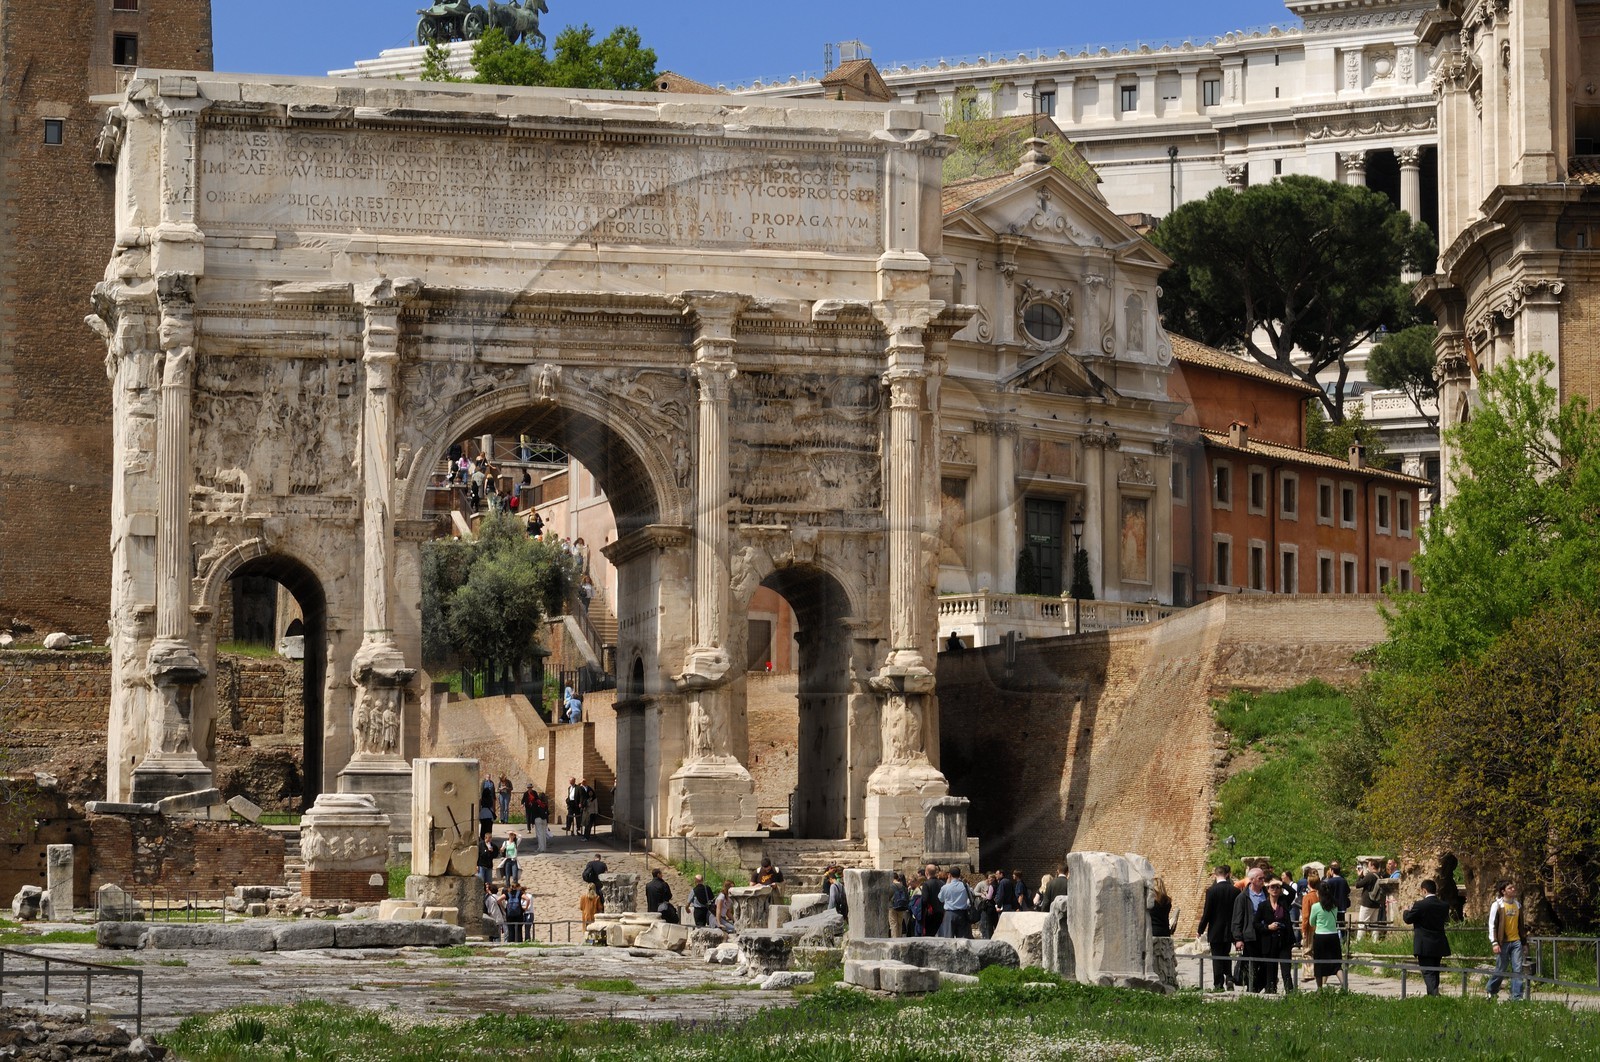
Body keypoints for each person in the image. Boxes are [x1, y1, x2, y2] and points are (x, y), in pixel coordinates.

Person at [1404, 878, 1452, 996]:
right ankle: (1431, 995)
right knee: (1435, 970)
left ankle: (1435, 994)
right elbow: (1445, 920)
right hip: (1439, 942)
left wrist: (1406, 910)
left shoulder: (1420, 905)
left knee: (1427, 971)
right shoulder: (1444, 905)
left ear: (1424, 890)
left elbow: (1408, 919)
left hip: (1424, 943)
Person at [1230, 867, 1270, 992]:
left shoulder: (1267, 894)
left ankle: (1259, 986)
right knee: (1252, 964)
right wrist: (1238, 938)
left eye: (1263, 878)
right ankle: (1252, 988)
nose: (1263, 880)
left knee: (1267, 963)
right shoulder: (1243, 897)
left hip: (1266, 933)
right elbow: (1237, 919)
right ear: (1252, 880)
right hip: (1251, 935)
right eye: (1260, 878)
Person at [1486, 880, 1527, 1001]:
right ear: (1503, 891)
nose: (1513, 890)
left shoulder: (1517, 905)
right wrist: (1494, 942)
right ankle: (1491, 991)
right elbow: (1492, 925)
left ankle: (1516, 996)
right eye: (1510, 888)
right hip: (1503, 942)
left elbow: (1521, 925)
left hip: (1516, 941)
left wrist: (1524, 943)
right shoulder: (1497, 905)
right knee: (1501, 968)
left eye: (1513, 888)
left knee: (1517, 969)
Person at [1198, 865, 1237, 990]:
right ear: (1227, 875)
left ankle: (1218, 983)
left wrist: (1200, 929)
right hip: (1230, 929)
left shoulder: (1211, 891)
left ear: (1215, 875)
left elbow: (1207, 913)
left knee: (1216, 957)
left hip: (1215, 929)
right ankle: (1229, 977)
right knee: (1226, 954)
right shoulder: (1235, 891)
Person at [1257, 879, 1294, 993]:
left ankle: (1290, 992)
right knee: (1270, 969)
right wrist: (1268, 927)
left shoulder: (1284, 902)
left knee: (1286, 969)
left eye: (1277, 887)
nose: (1275, 889)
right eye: (1272, 887)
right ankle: (1270, 991)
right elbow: (1256, 923)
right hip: (1269, 940)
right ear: (1267, 889)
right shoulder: (1263, 905)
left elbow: (1292, 892)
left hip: (1284, 941)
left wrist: (1281, 883)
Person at [1308, 886, 1343, 990]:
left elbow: (1311, 922)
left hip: (1320, 936)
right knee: (1336, 963)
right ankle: (1344, 984)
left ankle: (1319, 988)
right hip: (1333, 935)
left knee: (1319, 964)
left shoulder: (1316, 906)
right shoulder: (1334, 906)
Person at [936, 866, 974, 938]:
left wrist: (947, 884)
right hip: (962, 913)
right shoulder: (965, 886)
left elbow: (940, 899)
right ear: (959, 875)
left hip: (949, 913)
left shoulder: (946, 887)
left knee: (948, 938)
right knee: (962, 939)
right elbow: (971, 897)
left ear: (949, 875)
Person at [1354, 858, 1382, 942]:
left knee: (1362, 923)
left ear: (1373, 866)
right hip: (1376, 903)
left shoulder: (1370, 875)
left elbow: (1358, 885)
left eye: (1368, 865)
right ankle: (1375, 941)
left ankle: (1359, 942)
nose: (1367, 867)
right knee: (1374, 923)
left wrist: (1359, 876)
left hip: (1367, 903)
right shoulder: (1380, 875)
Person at [919, 863, 944, 938]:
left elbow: (924, 900)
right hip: (940, 913)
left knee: (928, 935)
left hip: (930, 913)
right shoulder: (942, 883)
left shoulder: (926, 884)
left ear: (926, 873)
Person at [889, 871, 911, 938]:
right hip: (901, 906)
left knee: (893, 924)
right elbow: (907, 896)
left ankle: (894, 939)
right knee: (899, 923)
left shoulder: (891, 886)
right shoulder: (903, 886)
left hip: (892, 907)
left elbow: (888, 896)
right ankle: (899, 938)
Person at [530, 787, 549, 853]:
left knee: (539, 834)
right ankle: (544, 847)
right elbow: (548, 813)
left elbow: (533, 812)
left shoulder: (536, 803)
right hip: (544, 820)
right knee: (544, 834)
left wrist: (532, 822)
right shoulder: (545, 804)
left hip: (538, 819)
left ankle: (541, 848)